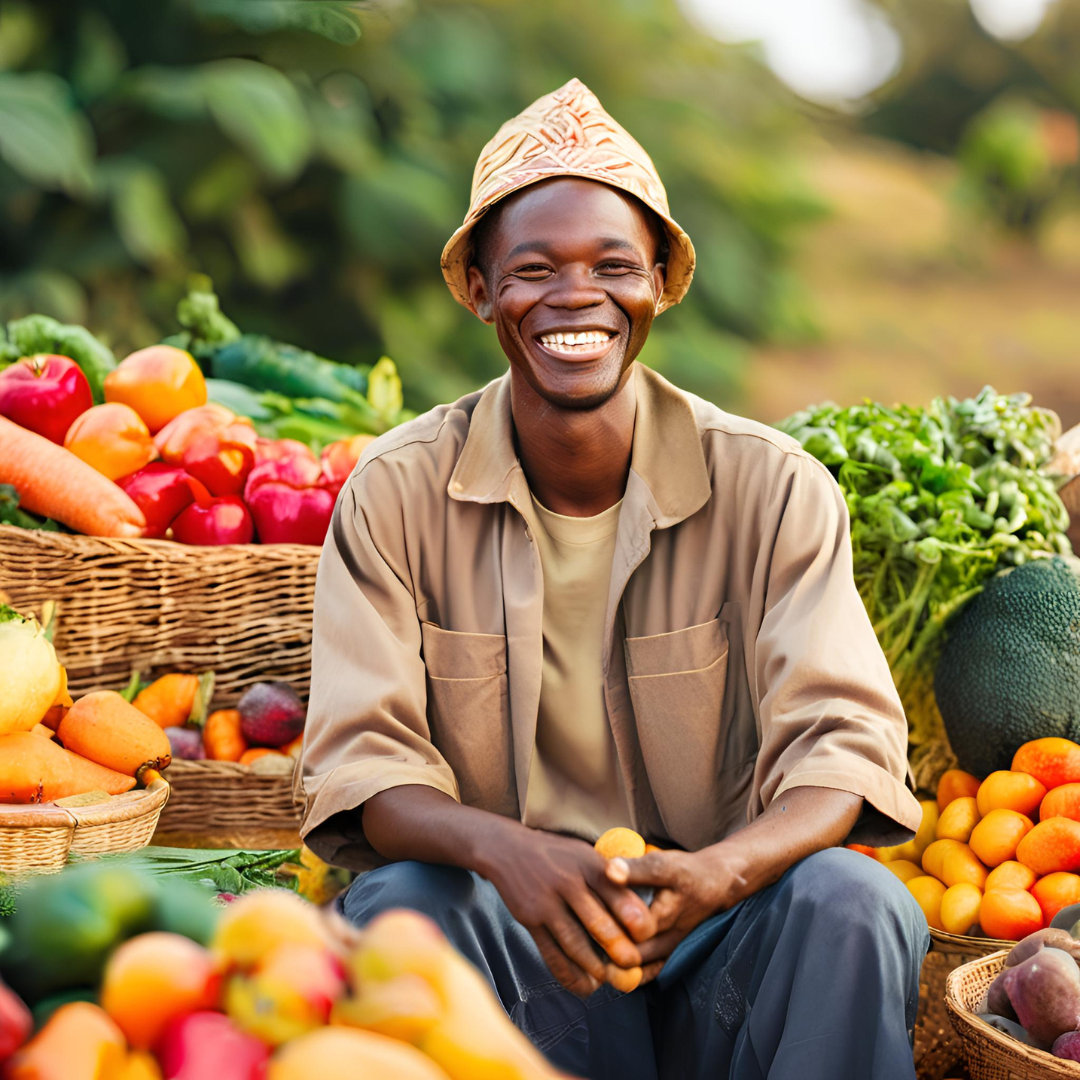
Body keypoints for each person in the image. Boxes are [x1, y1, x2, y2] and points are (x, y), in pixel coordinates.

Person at [299, 78, 929, 1080]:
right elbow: (364, 766)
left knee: (856, 904)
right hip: (515, 946)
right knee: (401, 907)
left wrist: (721, 872)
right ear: (480, 290)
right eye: (534, 267)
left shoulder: (772, 490)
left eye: (613, 265)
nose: (575, 296)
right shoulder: (395, 496)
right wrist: (511, 852)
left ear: (657, 286)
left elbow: (845, 749)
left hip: (716, 942)